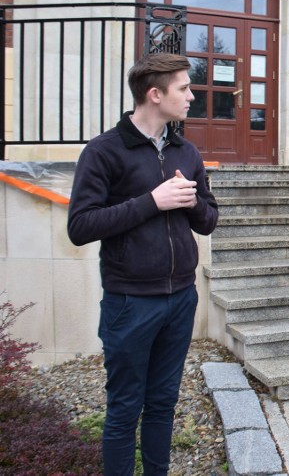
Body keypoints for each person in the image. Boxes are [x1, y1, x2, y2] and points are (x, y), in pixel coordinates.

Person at [67, 53, 219, 475]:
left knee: (164, 403)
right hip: (131, 302)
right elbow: (80, 226)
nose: (192, 95)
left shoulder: (185, 151)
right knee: (124, 409)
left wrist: (189, 203)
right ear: (155, 94)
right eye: (184, 88)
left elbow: (209, 220)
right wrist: (152, 201)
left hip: (180, 298)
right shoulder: (103, 152)